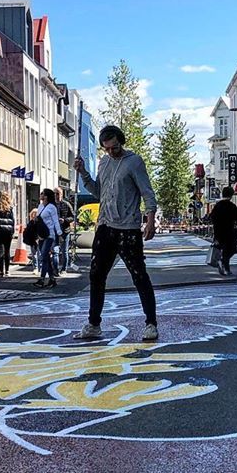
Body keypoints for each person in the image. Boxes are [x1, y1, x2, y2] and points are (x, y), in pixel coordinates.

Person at [74, 124, 159, 342]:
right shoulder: (104, 163)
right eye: (107, 149)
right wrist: (83, 172)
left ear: (121, 141)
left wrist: (150, 220)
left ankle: (151, 323)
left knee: (139, 275)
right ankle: (94, 324)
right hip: (105, 226)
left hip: (128, 228)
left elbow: (147, 192)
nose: (111, 152)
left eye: (115, 147)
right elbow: (99, 193)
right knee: (96, 275)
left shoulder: (134, 162)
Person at [209, 187, 237, 277]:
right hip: (229, 231)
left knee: (222, 249)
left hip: (218, 231)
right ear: (231, 195)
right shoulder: (232, 206)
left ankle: (225, 267)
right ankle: (223, 263)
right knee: (231, 249)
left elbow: (212, 218)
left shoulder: (217, 206)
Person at [34, 189, 63, 289]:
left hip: (49, 235)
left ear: (46, 196)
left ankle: (42, 279)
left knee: (44, 256)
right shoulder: (40, 206)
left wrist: (59, 234)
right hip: (41, 235)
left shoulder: (52, 207)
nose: (40, 195)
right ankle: (52, 279)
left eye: (42, 193)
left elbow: (55, 222)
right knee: (45, 257)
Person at [54, 187, 75, 274]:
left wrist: (65, 220)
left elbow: (73, 217)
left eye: (58, 194)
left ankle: (64, 269)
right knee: (55, 251)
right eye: (54, 194)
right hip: (54, 231)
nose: (56, 196)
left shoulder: (66, 204)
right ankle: (55, 269)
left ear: (61, 194)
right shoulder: (51, 205)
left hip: (64, 231)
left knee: (64, 251)